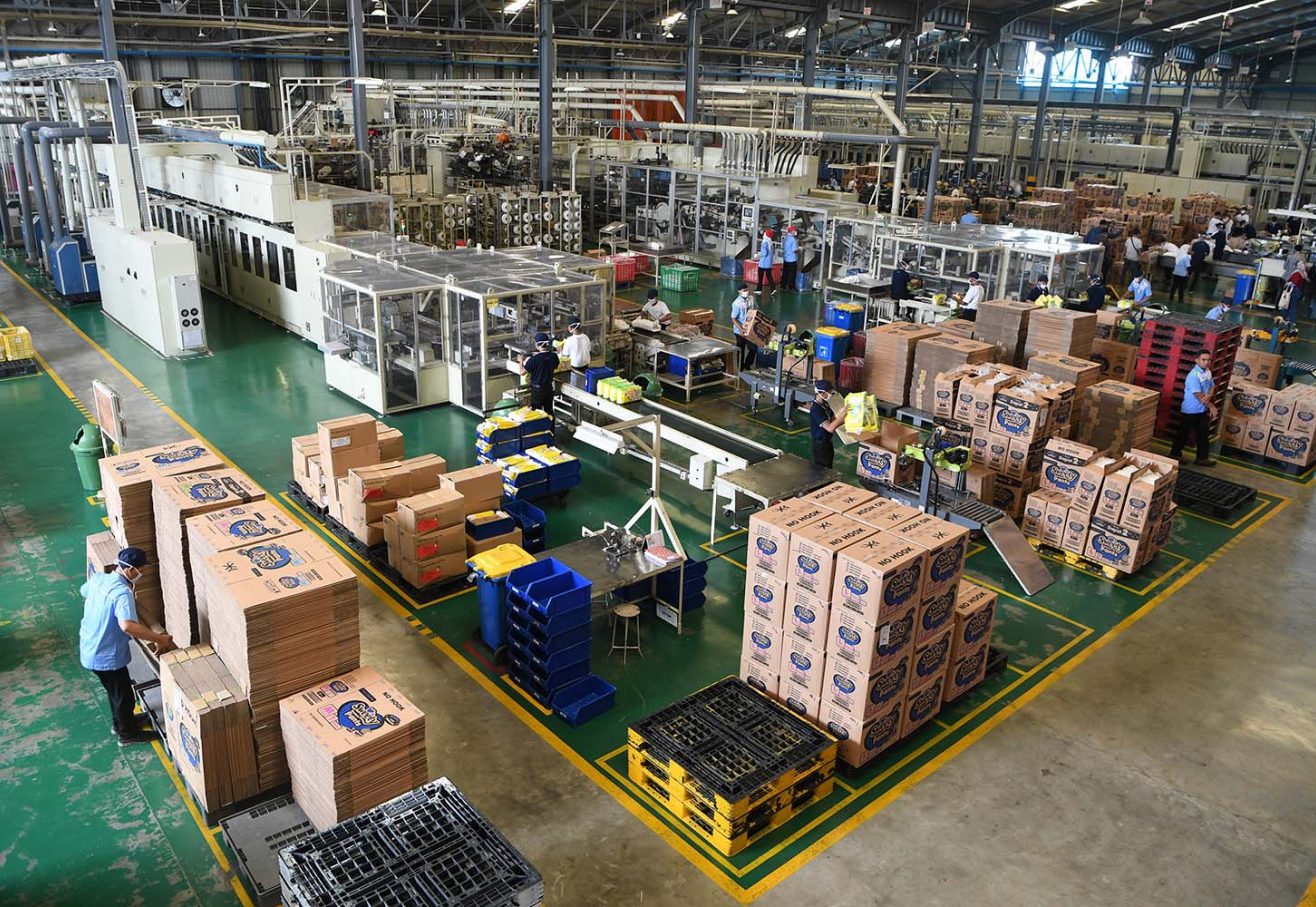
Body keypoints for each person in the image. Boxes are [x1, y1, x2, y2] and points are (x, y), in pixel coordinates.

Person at [80, 547, 175, 745]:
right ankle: (127, 734)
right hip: (105, 654)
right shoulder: (123, 593)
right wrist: (160, 639)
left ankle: (121, 723)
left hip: (90, 646)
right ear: (131, 570)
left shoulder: (99, 578)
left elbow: (84, 591)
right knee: (123, 695)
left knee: (114, 691)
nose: (142, 574)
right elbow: (127, 625)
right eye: (141, 570)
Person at [1170, 349, 1218, 466]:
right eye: (1204, 360)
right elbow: (1198, 394)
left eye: (1209, 360)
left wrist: (1210, 394)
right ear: (1197, 360)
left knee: (1203, 434)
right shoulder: (1193, 376)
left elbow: (1212, 385)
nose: (1206, 362)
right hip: (1191, 410)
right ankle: (1174, 455)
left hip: (1201, 409)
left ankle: (1202, 458)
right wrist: (1211, 406)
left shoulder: (1207, 372)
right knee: (1183, 433)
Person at [521, 332, 560, 422]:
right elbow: (554, 365)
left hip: (537, 390)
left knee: (536, 413)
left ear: (538, 345)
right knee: (549, 410)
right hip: (549, 388)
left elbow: (522, 372)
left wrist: (520, 360)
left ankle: (539, 431)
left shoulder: (533, 360)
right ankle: (551, 431)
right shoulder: (554, 356)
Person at [809, 379, 847, 469]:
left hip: (827, 441)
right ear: (821, 393)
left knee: (828, 464)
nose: (830, 394)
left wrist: (845, 418)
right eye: (828, 392)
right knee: (822, 468)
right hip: (820, 444)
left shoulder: (825, 404)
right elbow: (830, 428)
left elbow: (833, 419)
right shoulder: (816, 409)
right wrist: (844, 414)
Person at [729, 283, 758, 371]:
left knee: (753, 348)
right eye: (744, 291)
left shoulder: (751, 299)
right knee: (741, 349)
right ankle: (740, 367)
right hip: (739, 331)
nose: (746, 292)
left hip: (750, 329)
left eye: (747, 290)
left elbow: (756, 309)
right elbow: (733, 318)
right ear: (739, 292)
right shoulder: (736, 303)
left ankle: (748, 364)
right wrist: (741, 328)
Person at [756, 229, 778, 298]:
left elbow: (764, 253)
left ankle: (759, 290)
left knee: (760, 277)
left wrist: (758, 255)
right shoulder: (770, 244)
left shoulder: (764, 243)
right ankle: (773, 289)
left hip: (763, 264)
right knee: (769, 277)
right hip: (768, 264)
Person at [782, 226, 800, 292]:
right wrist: (799, 250)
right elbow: (794, 250)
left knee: (785, 273)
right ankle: (791, 287)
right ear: (792, 231)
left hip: (786, 258)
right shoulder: (793, 239)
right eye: (794, 230)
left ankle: (783, 285)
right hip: (792, 259)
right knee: (792, 274)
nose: (795, 232)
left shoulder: (785, 238)